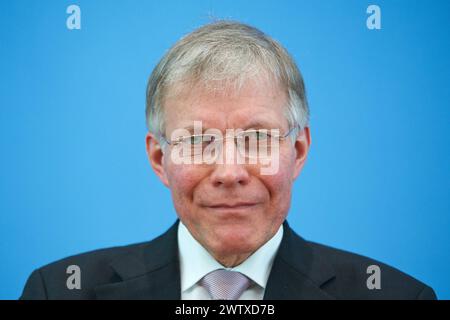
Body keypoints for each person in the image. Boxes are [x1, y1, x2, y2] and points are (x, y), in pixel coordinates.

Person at [20, 21, 436, 300]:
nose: (230, 172)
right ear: (159, 158)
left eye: (257, 138)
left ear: (298, 151)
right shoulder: (58, 291)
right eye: (199, 140)